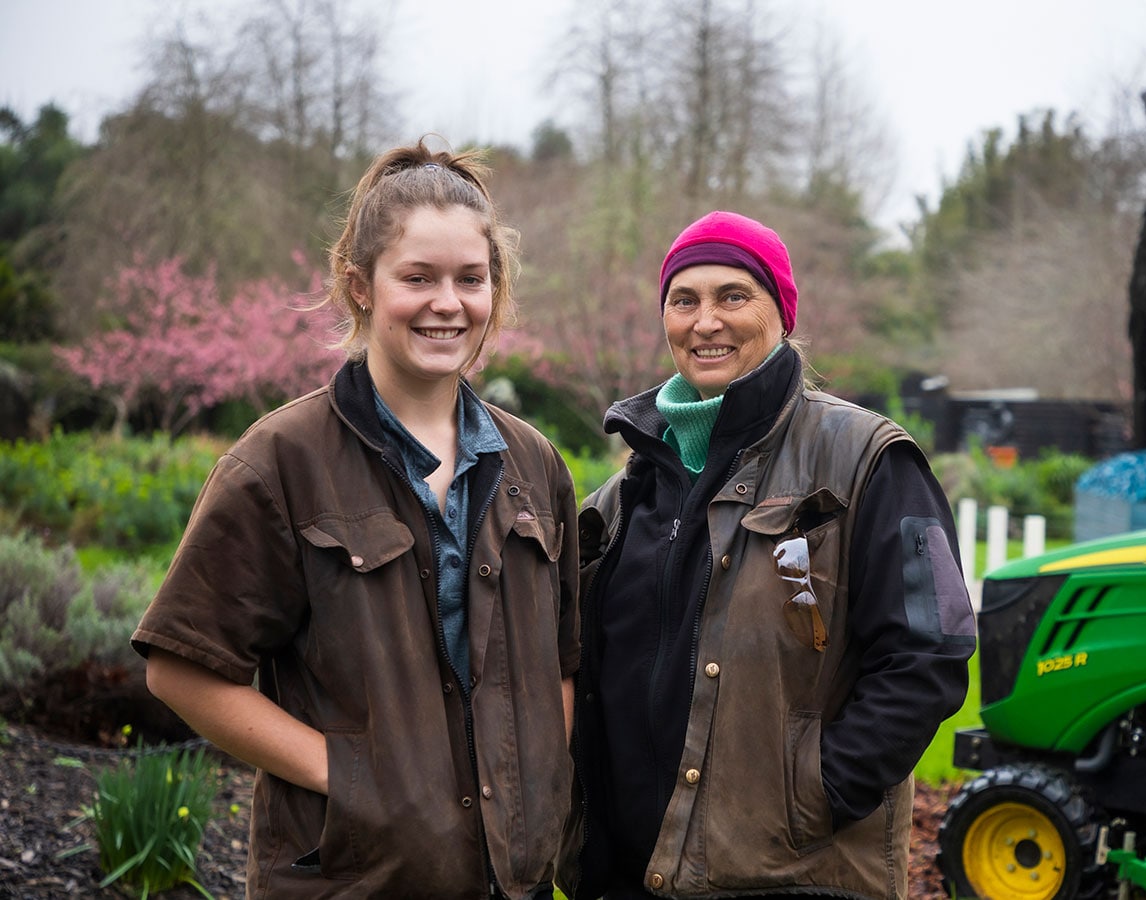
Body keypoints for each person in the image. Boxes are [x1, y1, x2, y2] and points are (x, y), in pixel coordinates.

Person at [133, 139, 579, 899]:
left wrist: (538, 779)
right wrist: (345, 776)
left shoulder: (534, 466)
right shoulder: (281, 461)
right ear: (360, 286)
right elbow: (181, 667)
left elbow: (562, 665)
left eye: (470, 279)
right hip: (351, 879)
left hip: (512, 882)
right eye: (418, 277)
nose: (448, 303)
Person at [558, 211, 976, 899]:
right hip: (626, 876)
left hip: (791, 875)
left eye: (733, 295)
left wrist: (815, 797)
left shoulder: (867, 459)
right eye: (683, 300)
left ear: (781, 312)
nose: (706, 321)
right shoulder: (618, 501)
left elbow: (931, 654)